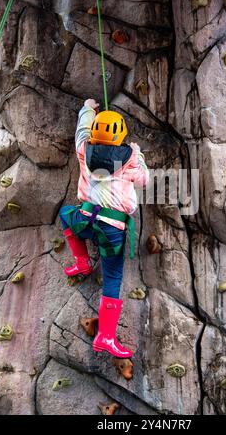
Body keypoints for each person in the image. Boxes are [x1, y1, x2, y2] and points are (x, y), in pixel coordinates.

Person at [59, 99, 149, 358]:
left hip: (85, 219)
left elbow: (81, 131)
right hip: (111, 228)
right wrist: (139, 154)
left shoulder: (84, 149)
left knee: (66, 214)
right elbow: (144, 180)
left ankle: (82, 261)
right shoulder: (130, 158)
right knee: (112, 277)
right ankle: (105, 337)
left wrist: (88, 108)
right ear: (120, 134)